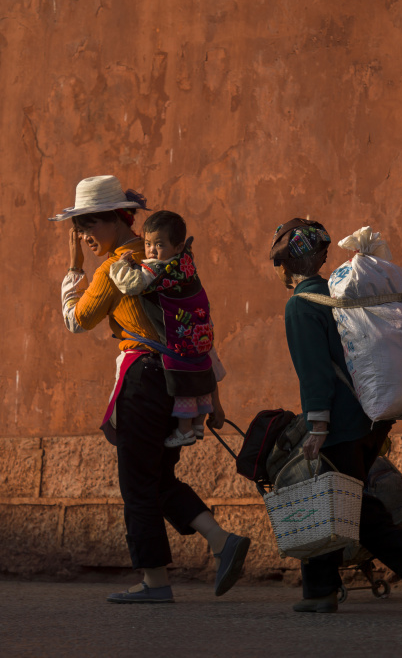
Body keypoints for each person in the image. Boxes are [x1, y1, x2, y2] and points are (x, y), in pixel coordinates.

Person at [50, 174, 250, 604]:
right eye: (79, 229)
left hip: (143, 380)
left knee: (137, 483)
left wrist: (73, 271)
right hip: (179, 383)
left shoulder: (112, 270)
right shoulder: (171, 259)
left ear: (117, 219)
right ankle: (221, 541)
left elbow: (76, 320)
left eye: (88, 225)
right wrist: (214, 397)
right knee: (158, 476)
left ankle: (155, 582)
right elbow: (196, 329)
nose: (83, 236)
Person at [269, 218, 402, 614]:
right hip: (372, 418)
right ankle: (319, 591)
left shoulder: (302, 304)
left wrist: (317, 427)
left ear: (285, 266)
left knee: (341, 504)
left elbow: (314, 372)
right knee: (329, 497)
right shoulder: (338, 296)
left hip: (341, 424)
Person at [110, 210, 216, 448]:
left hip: (178, 339)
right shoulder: (186, 261)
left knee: (183, 386)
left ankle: (185, 431)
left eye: (159, 245)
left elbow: (130, 285)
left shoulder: (155, 271)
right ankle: (198, 424)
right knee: (200, 377)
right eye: (148, 244)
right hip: (201, 334)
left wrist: (119, 266)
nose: (151, 251)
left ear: (177, 247)